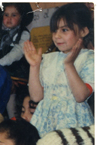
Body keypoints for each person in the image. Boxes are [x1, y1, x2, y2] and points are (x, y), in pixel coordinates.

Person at [24, 3, 94, 137]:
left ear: (84, 31)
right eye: (54, 31)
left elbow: (80, 96)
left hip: (73, 125)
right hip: (45, 123)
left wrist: (69, 65)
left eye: (65, 30)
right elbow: (36, 96)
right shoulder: (48, 59)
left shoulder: (90, 58)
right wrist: (34, 66)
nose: (57, 36)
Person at [0, 3, 34, 118]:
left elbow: (17, 53)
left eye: (13, 15)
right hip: (4, 74)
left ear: (21, 17)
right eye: (6, 15)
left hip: (18, 75)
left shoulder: (24, 34)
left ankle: (15, 120)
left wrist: (0, 62)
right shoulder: (1, 35)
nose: (9, 18)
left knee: (13, 103)